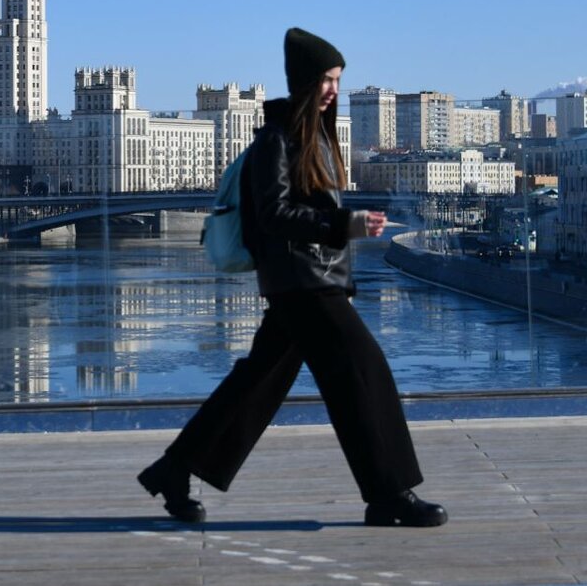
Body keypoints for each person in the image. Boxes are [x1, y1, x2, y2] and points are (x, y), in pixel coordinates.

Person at [138, 27, 447, 528]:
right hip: (304, 283)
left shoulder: (315, 138)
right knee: (364, 375)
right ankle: (388, 493)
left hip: (310, 281)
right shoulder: (275, 140)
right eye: (326, 78)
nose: (333, 89)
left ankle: (174, 469)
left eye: (338, 80)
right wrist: (343, 225)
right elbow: (273, 215)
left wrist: (341, 228)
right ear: (304, 80)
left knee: (256, 385)